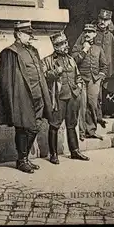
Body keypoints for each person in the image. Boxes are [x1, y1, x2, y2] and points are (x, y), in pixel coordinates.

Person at [0, 21, 53, 173]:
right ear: (18, 35)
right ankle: (21, 160)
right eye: (27, 34)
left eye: (31, 34)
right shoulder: (10, 52)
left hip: (38, 95)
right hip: (23, 96)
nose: (30, 37)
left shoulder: (33, 50)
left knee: (36, 126)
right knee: (23, 128)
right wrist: (11, 100)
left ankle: (24, 158)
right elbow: (5, 80)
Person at [41, 31, 90, 164]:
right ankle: (54, 154)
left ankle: (75, 151)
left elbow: (77, 76)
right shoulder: (47, 60)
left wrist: (79, 87)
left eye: (66, 43)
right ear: (56, 46)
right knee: (54, 125)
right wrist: (56, 72)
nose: (66, 46)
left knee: (71, 125)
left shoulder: (71, 59)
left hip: (73, 96)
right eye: (62, 44)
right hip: (58, 98)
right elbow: (43, 76)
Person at [71, 24, 108, 140]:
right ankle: (81, 133)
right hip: (81, 80)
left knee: (92, 105)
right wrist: (84, 50)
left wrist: (100, 77)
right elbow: (73, 62)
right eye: (85, 31)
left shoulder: (99, 48)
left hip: (94, 80)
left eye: (90, 32)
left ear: (95, 34)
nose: (87, 34)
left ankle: (91, 130)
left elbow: (104, 66)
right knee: (82, 106)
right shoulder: (77, 47)